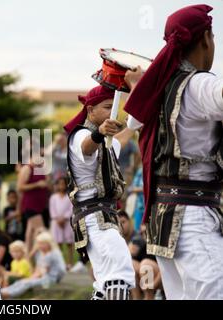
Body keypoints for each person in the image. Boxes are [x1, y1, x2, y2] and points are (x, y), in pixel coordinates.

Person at [124, 4, 223, 300]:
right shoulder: (200, 84)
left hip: (164, 220)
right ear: (206, 38)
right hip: (193, 217)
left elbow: (133, 120)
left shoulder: (158, 88)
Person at [64, 83, 139, 300]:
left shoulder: (105, 141)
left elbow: (120, 141)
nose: (112, 112)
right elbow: (88, 146)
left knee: (107, 283)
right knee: (119, 276)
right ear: (90, 110)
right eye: (107, 107)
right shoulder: (81, 134)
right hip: (95, 216)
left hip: (99, 217)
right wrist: (99, 133)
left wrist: (134, 122)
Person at [1, 231, 66, 299]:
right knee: (21, 281)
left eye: (42, 244)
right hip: (45, 276)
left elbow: (42, 271)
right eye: (39, 243)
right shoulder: (43, 253)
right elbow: (38, 268)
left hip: (51, 279)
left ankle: (9, 294)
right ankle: (5, 291)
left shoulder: (51, 254)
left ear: (49, 243)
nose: (40, 246)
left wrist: (30, 278)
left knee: (27, 283)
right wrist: (31, 277)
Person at [17, 152, 50, 254]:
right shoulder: (27, 169)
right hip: (30, 205)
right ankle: (48, 255)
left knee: (30, 234)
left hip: (40, 205)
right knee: (42, 232)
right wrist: (37, 185)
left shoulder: (40, 168)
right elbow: (20, 187)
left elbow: (47, 183)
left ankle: (27, 259)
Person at [49, 177, 74, 270]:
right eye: (59, 184)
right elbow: (52, 210)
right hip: (56, 223)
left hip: (67, 222)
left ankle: (69, 263)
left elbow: (71, 209)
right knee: (58, 243)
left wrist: (64, 218)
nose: (61, 186)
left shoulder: (69, 197)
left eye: (63, 184)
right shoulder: (53, 197)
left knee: (69, 243)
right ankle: (59, 264)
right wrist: (58, 219)